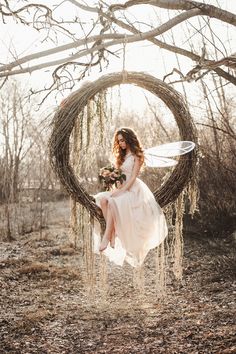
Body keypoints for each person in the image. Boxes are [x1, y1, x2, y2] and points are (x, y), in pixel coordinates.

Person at [93, 127, 168, 267]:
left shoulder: (137, 155)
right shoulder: (121, 156)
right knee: (102, 200)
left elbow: (133, 177)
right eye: (118, 141)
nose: (121, 143)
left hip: (133, 190)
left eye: (122, 140)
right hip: (121, 188)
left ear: (129, 138)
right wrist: (111, 177)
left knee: (111, 202)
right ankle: (112, 233)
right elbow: (120, 176)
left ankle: (106, 237)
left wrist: (121, 192)